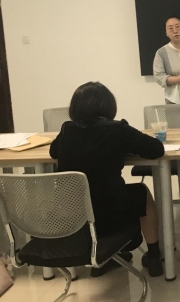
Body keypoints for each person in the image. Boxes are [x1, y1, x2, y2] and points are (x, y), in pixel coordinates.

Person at [49, 82, 165, 277]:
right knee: (141, 192)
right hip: (112, 216)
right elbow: (156, 149)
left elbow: (53, 152)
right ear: (108, 106)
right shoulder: (117, 129)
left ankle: (110, 256)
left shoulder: (67, 129)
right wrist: (125, 142)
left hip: (75, 218)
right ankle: (153, 255)